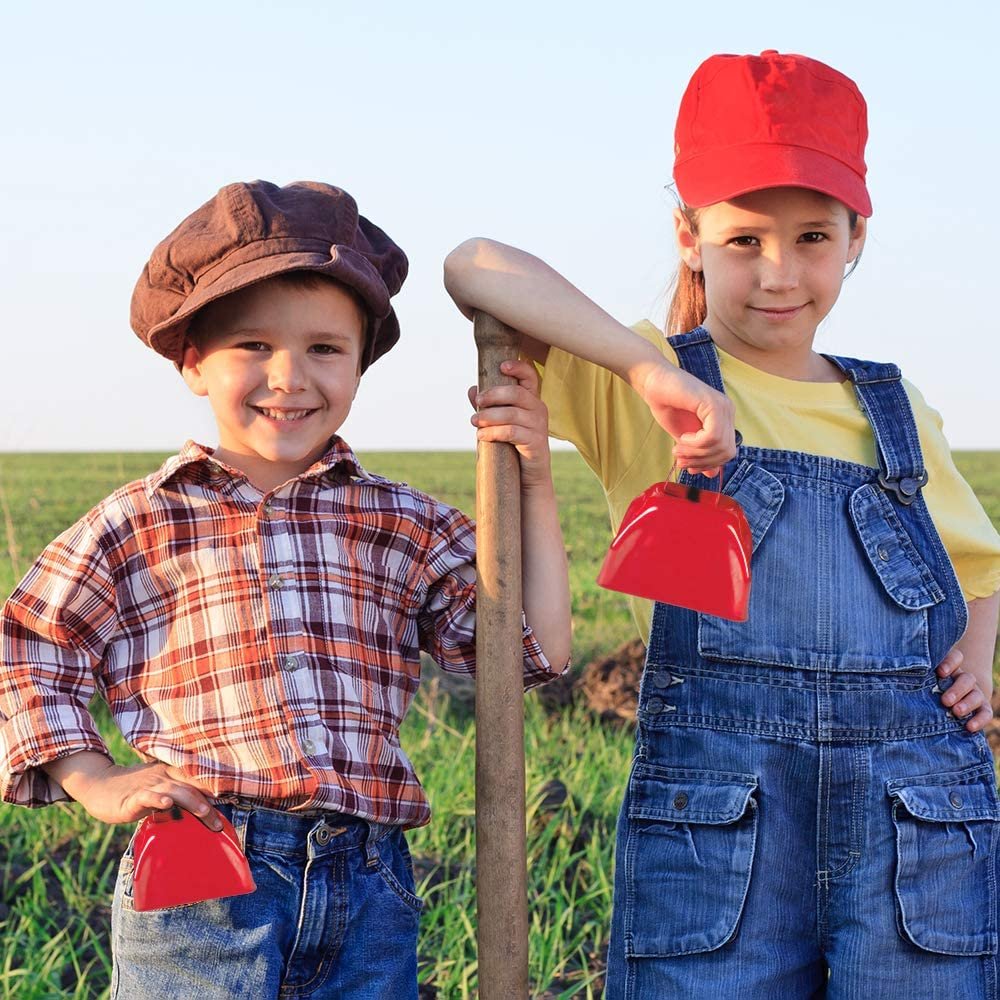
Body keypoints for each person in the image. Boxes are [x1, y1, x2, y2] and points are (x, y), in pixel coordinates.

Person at [444, 51, 1000, 998]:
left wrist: (977, 658)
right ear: (688, 234)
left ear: (857, 237)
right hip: (721, 828)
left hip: (915, 821)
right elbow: (476, 266)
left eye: (813, 237)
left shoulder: (894, 405)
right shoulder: (647, 381)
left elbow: (975, 570)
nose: (779, 274)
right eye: (743, 239)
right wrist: (648, 369)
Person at [0, 179, 571, 999]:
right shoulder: (141, 522)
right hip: (201, 875)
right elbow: (28, 651)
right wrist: (95, 779)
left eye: (325, 349)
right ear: (193, 362)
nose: (289, 376)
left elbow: (533, 651)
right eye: (253, 346)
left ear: (361, 363)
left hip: (369, 884)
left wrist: (537, 484)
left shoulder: (399, 522)